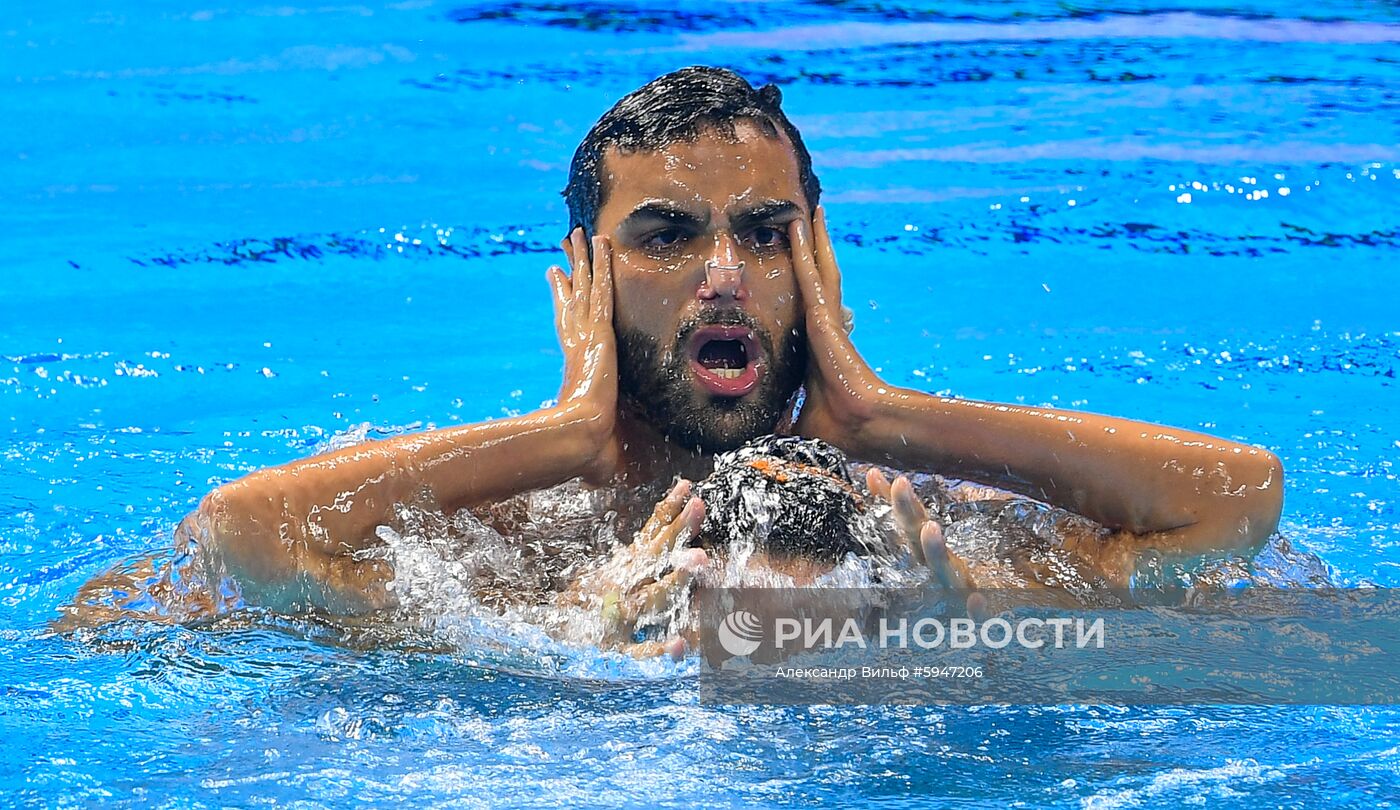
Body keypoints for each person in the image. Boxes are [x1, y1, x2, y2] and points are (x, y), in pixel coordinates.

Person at [66, 67, 1284, 653]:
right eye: (664, 236)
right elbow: (239, 540)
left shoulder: (916, 521)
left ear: (817, 267)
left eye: (764, 234)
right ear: (585, 277)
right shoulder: (500, 516)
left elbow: (1232, 503)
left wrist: (879, 418)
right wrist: (562, 438)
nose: (721, 277)